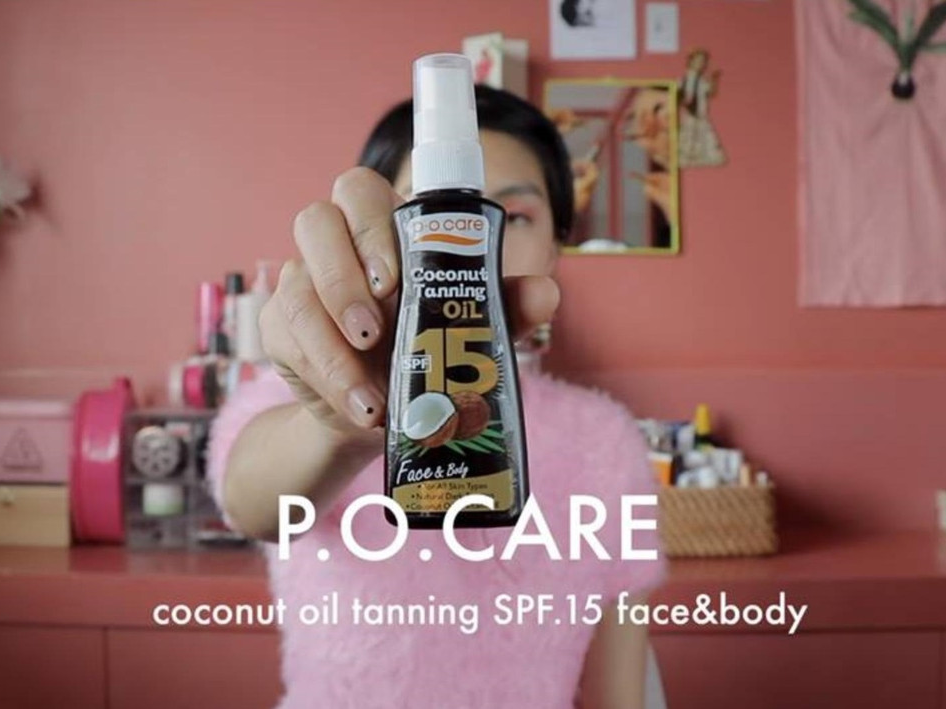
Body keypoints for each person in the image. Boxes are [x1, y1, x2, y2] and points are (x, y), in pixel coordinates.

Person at [208, 85, 666, 709]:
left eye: (516, 215)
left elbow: (620, 694)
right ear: (372, 237)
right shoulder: (306, 395)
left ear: (558, 243)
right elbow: (253, 506)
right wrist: (340, 422)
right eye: (425, 214)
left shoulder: (603, 439)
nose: (466, 242)